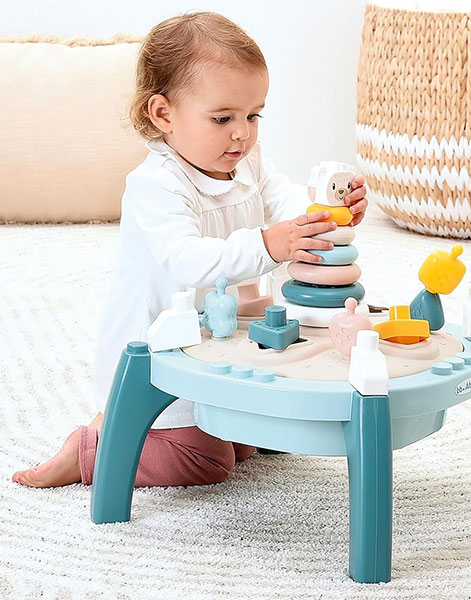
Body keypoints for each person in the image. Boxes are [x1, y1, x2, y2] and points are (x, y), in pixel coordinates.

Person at [12, 11, 367, 489]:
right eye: (222, 118)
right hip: (160, 349)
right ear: (164, 115)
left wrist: (329, 210)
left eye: (253, 115)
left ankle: (179, 427)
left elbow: (286, 203)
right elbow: (187, 260)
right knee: (208, 462)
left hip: (224, 339)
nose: (242, 133)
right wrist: (268, 244)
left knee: (256, 437)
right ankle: (94, 448)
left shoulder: (248, 162)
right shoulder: (156, 184)